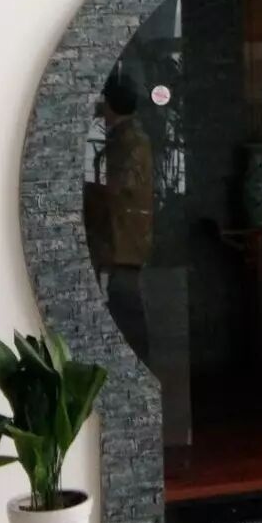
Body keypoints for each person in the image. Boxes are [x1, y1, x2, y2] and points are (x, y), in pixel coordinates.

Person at [86, 72, 153, 363]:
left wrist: (88, 191)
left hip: (122, 242)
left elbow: (115, 189)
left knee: (127, 312)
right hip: (120, 241)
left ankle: (137, 368)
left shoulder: (129, 142)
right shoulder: (128, 139)